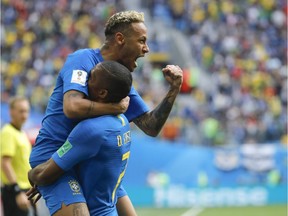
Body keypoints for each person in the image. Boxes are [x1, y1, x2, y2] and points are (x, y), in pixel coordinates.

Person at [29, 10, 183, 216]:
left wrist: (173, 90)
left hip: (88, 159)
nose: (146, 49)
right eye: (142, 41)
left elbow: (150, 126)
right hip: (54, 156)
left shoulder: (118, 79)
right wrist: (114, 108)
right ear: (120, 39)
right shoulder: (82, 60)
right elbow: (72, 107)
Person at [28, 60, 134, 216]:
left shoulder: (91, 129)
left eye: (91, 78)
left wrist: (31, 176)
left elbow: (44, 174)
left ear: (102, 93)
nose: (84, 81)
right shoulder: (122, 122)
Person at [1, 97, 38, 216]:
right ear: (11, 111)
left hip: (26, 190)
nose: (25, 115)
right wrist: (17, 192)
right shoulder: (8, 132)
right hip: (15, 191)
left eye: (27, 111)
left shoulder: (21, 132)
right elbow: (5, 163)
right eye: (21, 111)